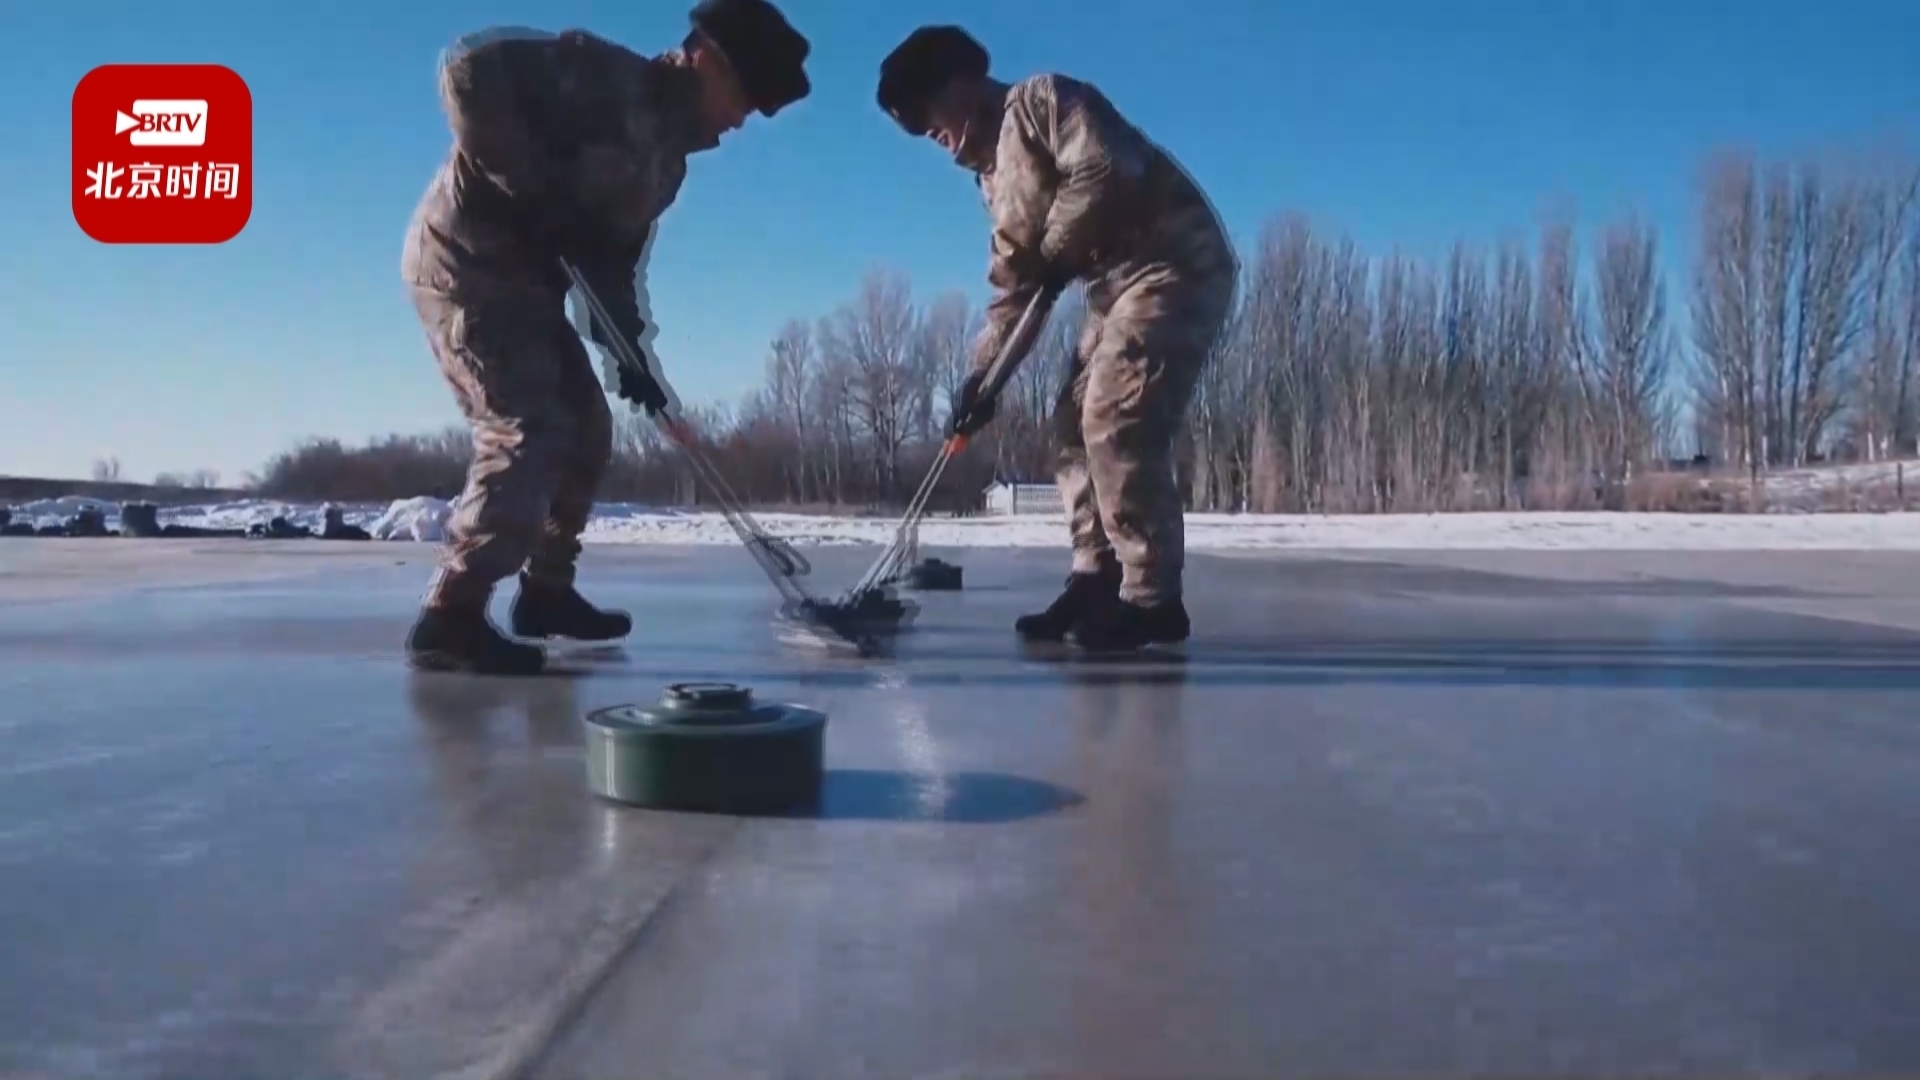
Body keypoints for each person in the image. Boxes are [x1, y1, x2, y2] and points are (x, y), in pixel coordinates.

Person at [400, 0, 812, 674]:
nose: (741, 120)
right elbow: (466, 69)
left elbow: (609, 266)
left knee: (589, 426)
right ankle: (452, 611)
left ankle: (546, 595)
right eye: (744, 96)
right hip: (466, 267)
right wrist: (527, 185)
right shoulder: (601, 77)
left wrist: (631, 357)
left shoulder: (666, 166)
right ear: (705, 57)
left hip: (529, 291)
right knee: (527, 426)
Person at [875, 26, 1238, 652]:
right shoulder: (992, 177)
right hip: (1111, 289)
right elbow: (1016, 289)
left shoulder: (1042, 101)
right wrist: (981, 381)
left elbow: (1105, 166)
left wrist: (1053, 249)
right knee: (1069, 424)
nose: (927, 134)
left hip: (1174, 263)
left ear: (959, 84)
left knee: (1115, 414)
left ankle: (1152, 596)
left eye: (926, 112)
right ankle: (1095, 574)